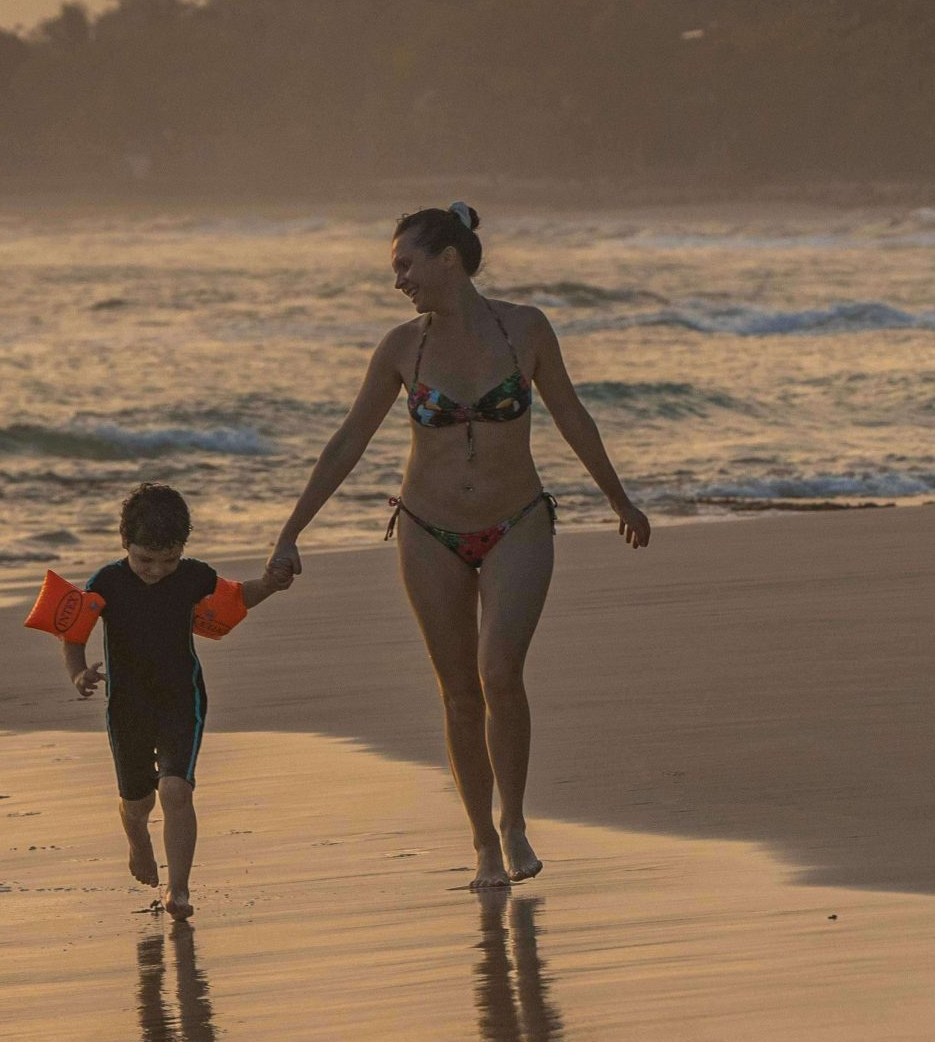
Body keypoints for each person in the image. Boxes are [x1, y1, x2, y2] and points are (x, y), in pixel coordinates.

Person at [264, 203, 649, 890]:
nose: (399, 281)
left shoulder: (526, 329)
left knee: (499, 669)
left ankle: (515, 822)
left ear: (449, 259)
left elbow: (571, 414)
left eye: (405, 265)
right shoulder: (399, 348)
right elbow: (348, 441)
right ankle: (482, 843)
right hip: (427, 530)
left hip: (518, 520)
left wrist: (618, 497)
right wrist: (292, 528)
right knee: (459, 693)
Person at [67, 481, 290, 917]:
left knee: (175, 789)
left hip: (181, 699)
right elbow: (73, 630)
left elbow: (238, 599)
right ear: (125, 543)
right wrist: (78, 672)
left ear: (182, 550)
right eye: (145, 560)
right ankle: (137, 837)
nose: (155, 570)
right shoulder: (108, 581)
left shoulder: (194, 576)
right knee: (138, 802)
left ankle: (178, 890)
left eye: (167, 561)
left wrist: (270, 584)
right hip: (127, 706)